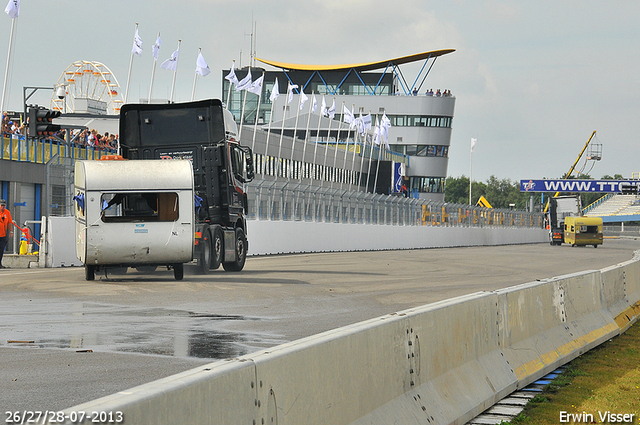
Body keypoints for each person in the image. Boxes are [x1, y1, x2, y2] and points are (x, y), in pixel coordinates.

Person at [0, 199, 14, 268]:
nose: (3, 207)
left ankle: (0, 264)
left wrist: (11, 231)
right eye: (1, 205)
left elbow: (9, 222)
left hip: (3, 234)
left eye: (4, 205)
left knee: (1, 249)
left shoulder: (7, 212)